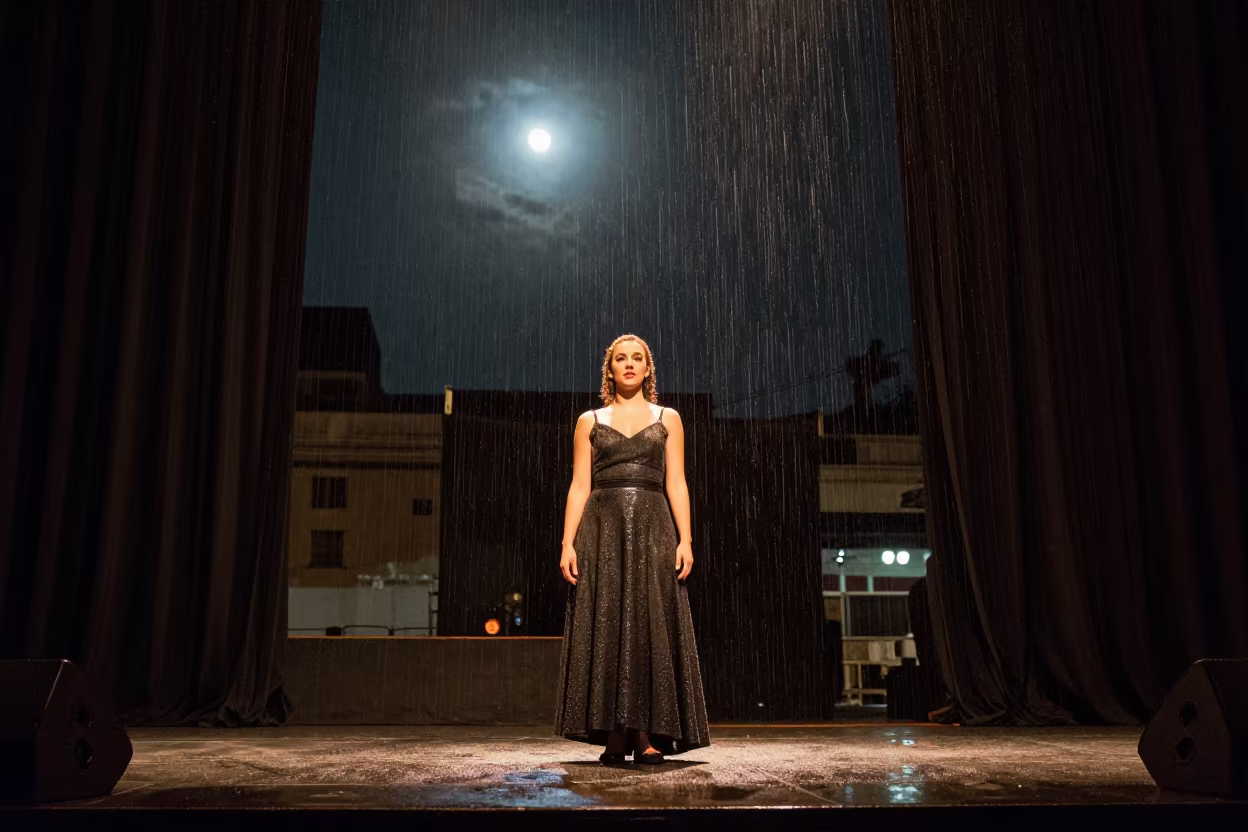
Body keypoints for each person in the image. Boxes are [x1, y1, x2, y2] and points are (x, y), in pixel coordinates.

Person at [553, 334, 710, 765]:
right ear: (610, 369)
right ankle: (615, 734)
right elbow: (579, 484)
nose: (628, 365)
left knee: (647, 622)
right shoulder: (589, 420)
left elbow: (676, 481)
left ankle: (644, 732)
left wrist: (686, 538)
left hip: (653, 528)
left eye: (636, 358)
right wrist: (567, 542)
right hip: (601, 530)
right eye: (620, 359)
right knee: (607, 623)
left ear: (647, 368)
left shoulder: (668, 417)